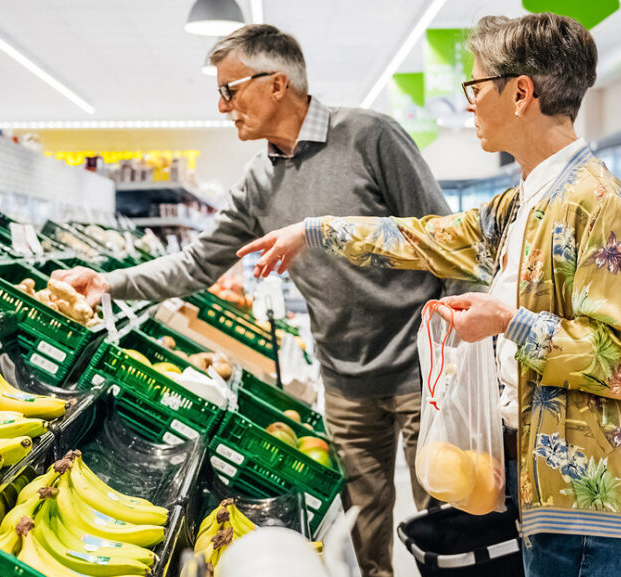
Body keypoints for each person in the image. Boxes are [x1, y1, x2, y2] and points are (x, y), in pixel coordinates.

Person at [237, 13, 621, 577]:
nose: (467, 104)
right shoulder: (524, 203)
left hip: (597, 515)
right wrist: (315, 231)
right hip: (555, 497)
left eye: (475, 87)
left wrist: (509, 322)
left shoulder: (598, 205)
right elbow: (426, 235)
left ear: (521, 93)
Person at [54, 24, 463, 577]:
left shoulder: (371, 136)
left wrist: (459, 352)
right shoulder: (258, 182)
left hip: (423, 369)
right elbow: (197, 264)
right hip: (344, 381)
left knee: (445, 519)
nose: (222, 106)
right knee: (364, 530)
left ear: (276, 84)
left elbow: (448, 239)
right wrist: (111, 283)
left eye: (229, 89)